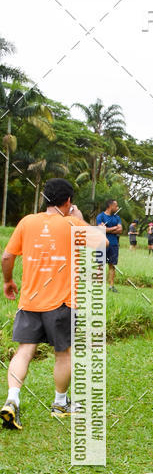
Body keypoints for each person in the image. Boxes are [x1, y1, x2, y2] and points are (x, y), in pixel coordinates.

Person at [1, 178, 91, 429]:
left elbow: (7, 256)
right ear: (68, 201)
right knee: (63, 354)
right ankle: (60, 403)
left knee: (24, 351)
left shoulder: (27, 222)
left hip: (30, 300)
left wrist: (8, 281)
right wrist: (79, 217)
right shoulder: (72, 223)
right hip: (62, 303)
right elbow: (101, 243)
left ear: (45, 199)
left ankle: (12, 399)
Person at [96, 199, 122, 292]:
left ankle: (111, 286)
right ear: (111, 206)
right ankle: (99, 286)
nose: (117, 208)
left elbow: (120, 230)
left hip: (114, 244)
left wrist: (107, 229)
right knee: (100, 265)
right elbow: (102, 229)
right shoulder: (100, 216)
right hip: (102, 243)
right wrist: (115, 228)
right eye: (116, 206)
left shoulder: (117, 217)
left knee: (112, 265)